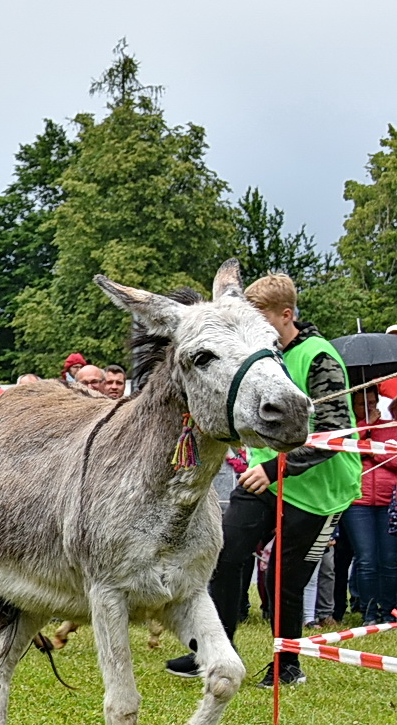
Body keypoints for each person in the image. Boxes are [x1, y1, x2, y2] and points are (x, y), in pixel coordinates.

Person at [166, 273, 359, 688]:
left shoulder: (319, 356)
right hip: (263, 480)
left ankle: (288, 665)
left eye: (260, 317)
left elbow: (335, 434)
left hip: (317, 490)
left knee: (284, 578)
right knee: (225, 553)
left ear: (285, 315)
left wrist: (274, 468)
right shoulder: (259, 353)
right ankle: (213, 650)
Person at [344, 385, 397, 625]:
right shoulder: (351, 429)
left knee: (389, 558)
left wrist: (374, 454)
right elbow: (347, 453)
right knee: (365, 558)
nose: (370, 407)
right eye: (362, 403)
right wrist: (365, 426)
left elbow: (393, 458)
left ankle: (388, 611)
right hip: (359, 501)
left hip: (388, 500)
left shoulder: (390, 427)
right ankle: (368, 613)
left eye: (373, 402)